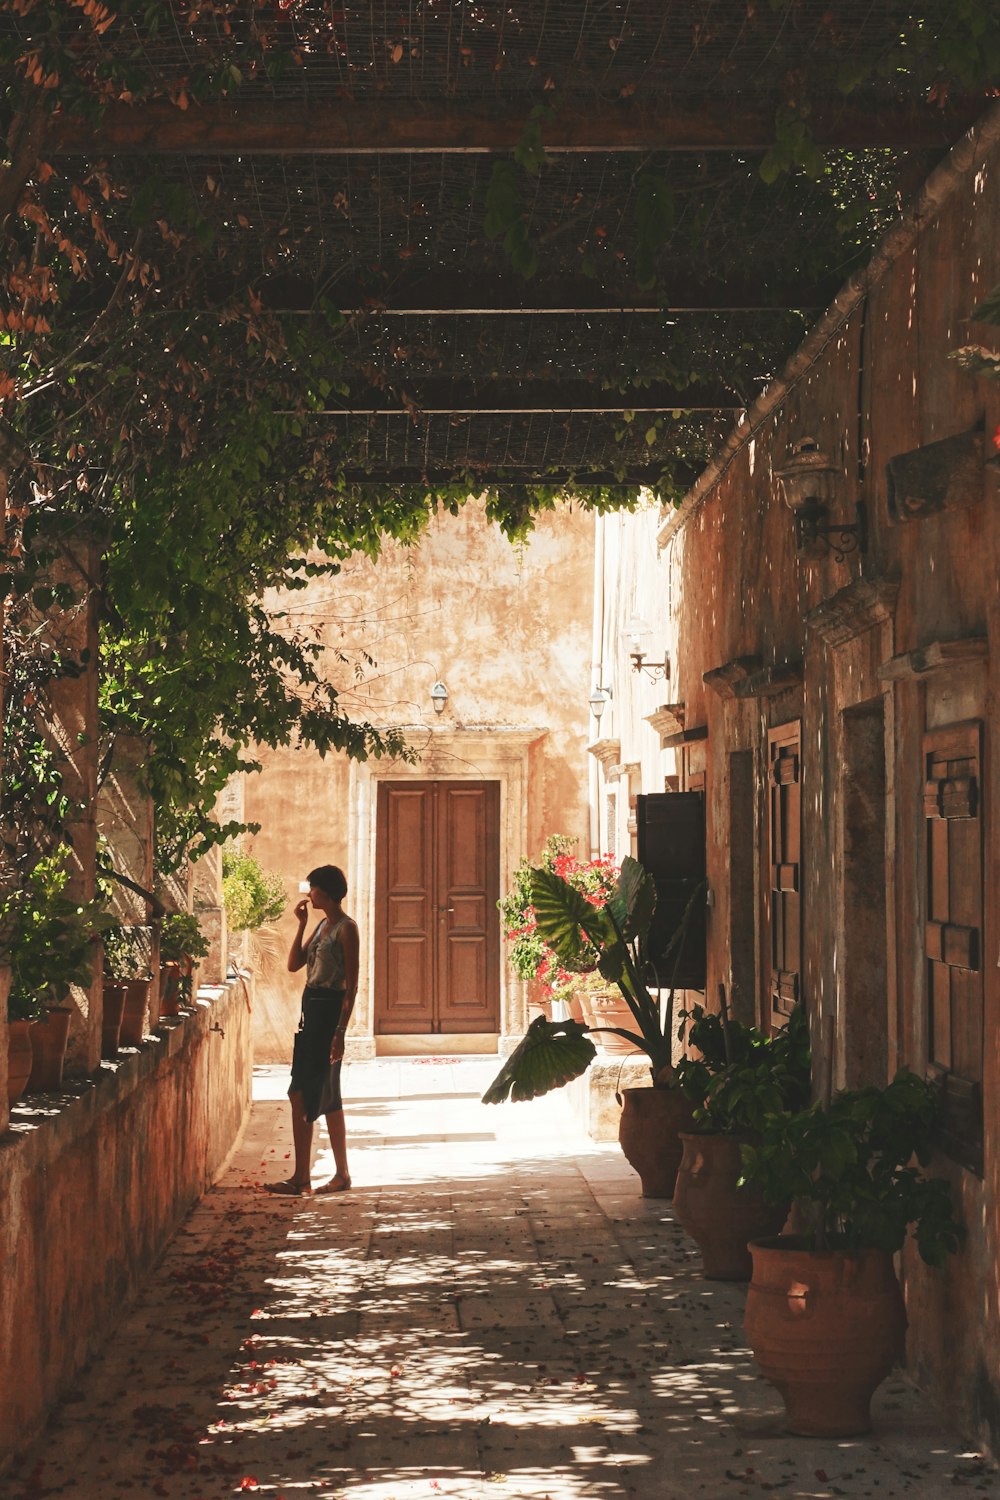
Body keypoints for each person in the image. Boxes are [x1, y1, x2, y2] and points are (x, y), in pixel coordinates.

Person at [265, 864, 359, 1196]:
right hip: (311, 1014)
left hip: (328, 1015)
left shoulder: (347, 929)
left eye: (314, 888)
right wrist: (301, 925)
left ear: (328, 892)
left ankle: (301, 1177)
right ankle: (340, 1174)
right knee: (328, 1097)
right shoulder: (320, 927)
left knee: (301, 1093)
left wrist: (340, 1033)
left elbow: (352, 986)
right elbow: (294, 964)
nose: (309, 894)